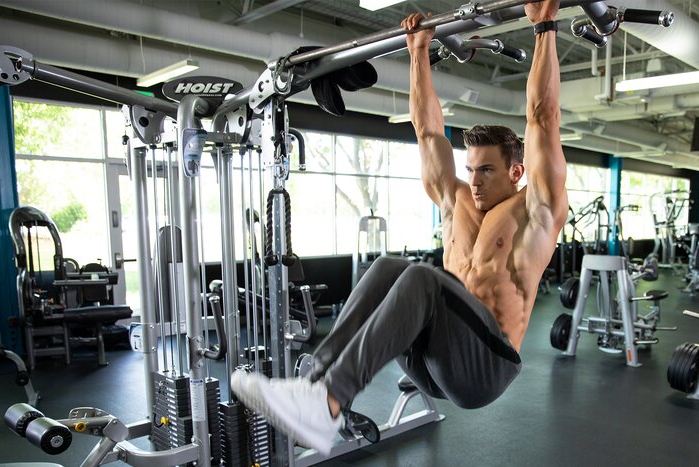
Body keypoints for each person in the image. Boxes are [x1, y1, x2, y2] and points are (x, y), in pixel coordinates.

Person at [231, 0, 568, 455]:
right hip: (433, 362)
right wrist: (417, 51)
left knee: (424, 278)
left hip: (485, 367)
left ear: (515, 172)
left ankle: (327, 403)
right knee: (392, 266)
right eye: (471, 169)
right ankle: (315, 386)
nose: (474, 180)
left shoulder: (536, 211)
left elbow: (543, 118)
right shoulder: (457, 202)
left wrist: (544, 26)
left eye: (486, 170)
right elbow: (429, 133)